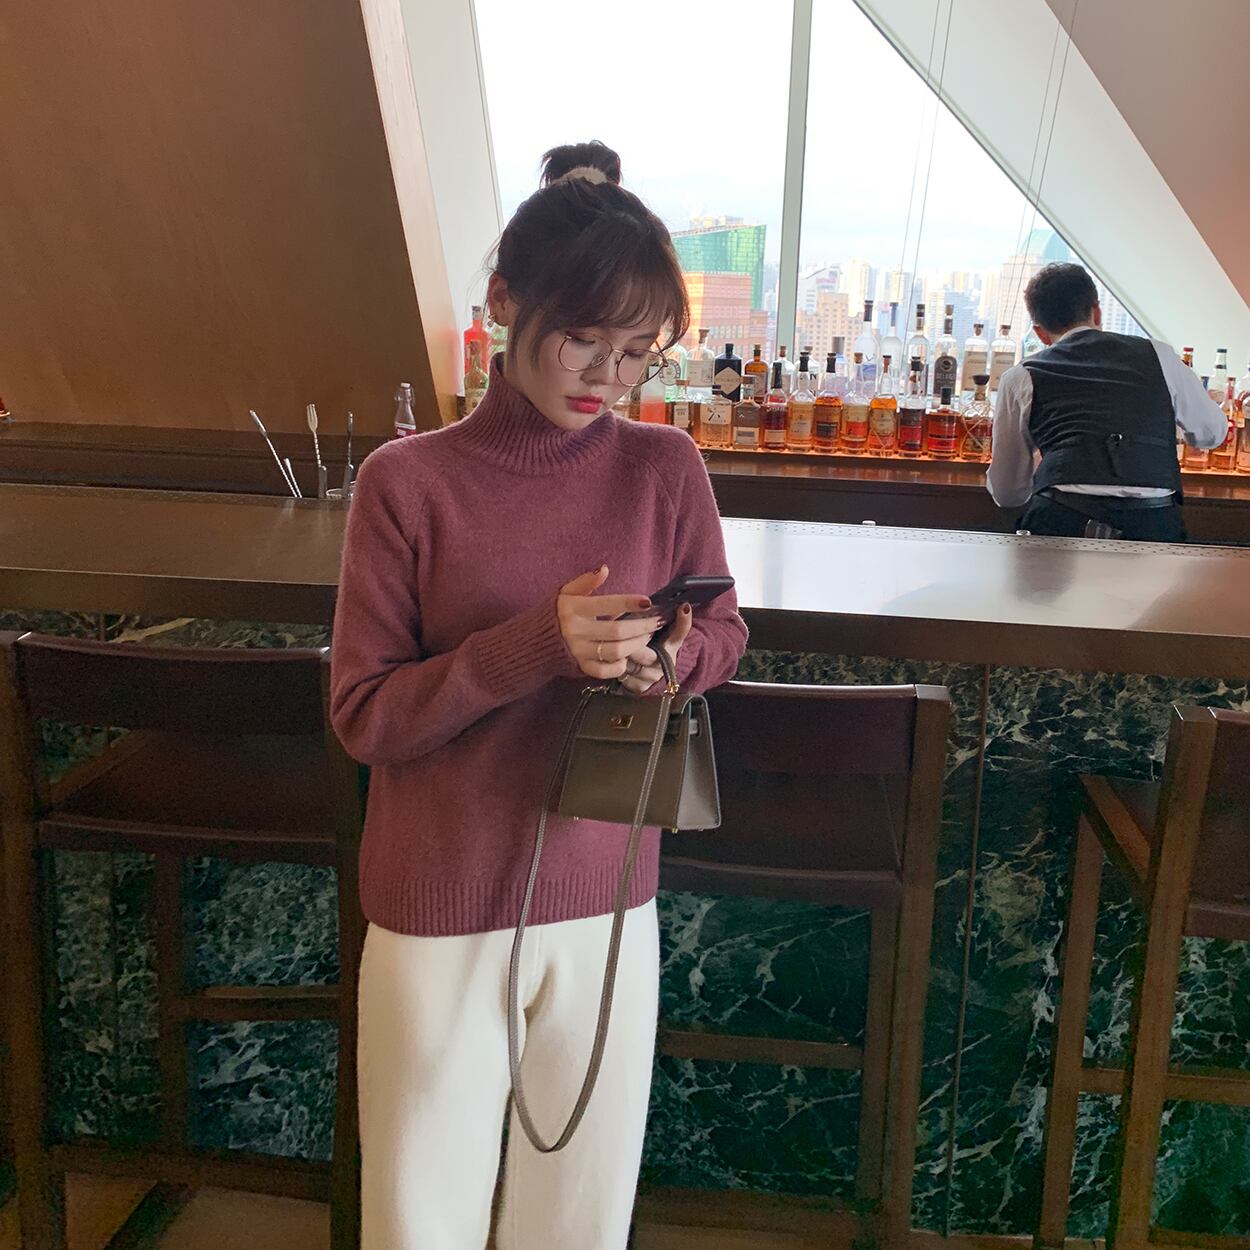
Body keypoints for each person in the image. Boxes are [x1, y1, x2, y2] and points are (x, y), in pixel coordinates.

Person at [329, 141, 748, 1250]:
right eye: (581, 338)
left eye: (635, 353)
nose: (606, 375)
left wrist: (670, 660)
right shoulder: (406, 482)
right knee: (421, 1220)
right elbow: (365, 715)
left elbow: (724, 631)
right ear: (504, 303)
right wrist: (531, 648)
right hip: (439, 897)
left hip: (607, 890)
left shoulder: (664, 467)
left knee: (580, 1221)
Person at [986, 262, 1226, 541]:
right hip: (1153, 525)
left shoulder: (1021, 376)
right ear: (1097, 311)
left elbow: (1008, 493)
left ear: (1040, 333)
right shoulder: (1159, 355)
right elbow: (1212, 433)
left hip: (1061, 520)